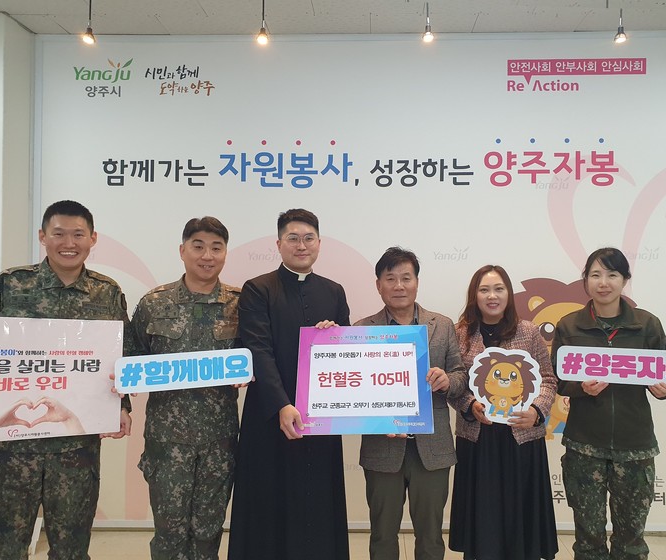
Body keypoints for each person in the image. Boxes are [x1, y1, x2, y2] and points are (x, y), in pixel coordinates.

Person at [0, 200, 132, 560]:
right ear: (43, 236)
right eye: (58, 234)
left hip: (75, 448)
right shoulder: (10, 284)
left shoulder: (107, 292)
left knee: (71, 549)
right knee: (3, 548)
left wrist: (122, 405)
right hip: (9, 449)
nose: (68, 243)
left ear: (92, 238)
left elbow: (121, 355)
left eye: (78, 234)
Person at [227, 209, 350, 560]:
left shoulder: (334, 291)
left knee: (318, 500)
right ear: (279, 244)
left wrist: (335, 336)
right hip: (269, 415)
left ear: (319, 243)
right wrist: (282, 404)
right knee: (269, 501)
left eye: (308, 238)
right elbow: (258, 349)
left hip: (320, 418)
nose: (301, 245)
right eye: (293, 238)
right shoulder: (258, 289)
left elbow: (348, 352)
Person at [552, 248, 666, 560]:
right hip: (584, 446)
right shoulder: (569, 326)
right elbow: (556, 380)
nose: (603, 282)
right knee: (588, 540)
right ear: (586, 280)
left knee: (631, 541)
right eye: (595, 275)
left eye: (612, 275)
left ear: (625, 280)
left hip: (635, 447)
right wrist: (581, 387)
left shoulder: (647, 325)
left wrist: (665, 390)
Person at [130, 216, 241, 560]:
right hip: (167, 442)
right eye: (198, 246)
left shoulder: (241, 304)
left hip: (219, 441)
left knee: (208, 532)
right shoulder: (154, 303)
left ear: (225, 253)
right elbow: (130, 356)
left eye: (216, 247)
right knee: (169, 532)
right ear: (182, 251)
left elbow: (262, 353)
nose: (207, 255)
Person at [354, 247, 466, 560]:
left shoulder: (442, 325)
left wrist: (447, 380)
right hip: (382, 447)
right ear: (378, 285)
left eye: (406, 278)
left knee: (430, 537)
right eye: (390, 279)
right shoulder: (362, 330)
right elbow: (354, 391)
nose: (399, 286)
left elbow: (461, 376)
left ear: (417, 282)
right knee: (382, 535)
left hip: (432, 447)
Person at [448, 264, 558, 560]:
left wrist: (536, 411)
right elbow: (454, 383)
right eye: (484, 290)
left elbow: (548, 379)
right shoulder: (460, 333)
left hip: (521, 438)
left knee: (519, 516)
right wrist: (469, 405)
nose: (492, 296)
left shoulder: (529, 331)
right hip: (478, 438)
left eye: (499, 289)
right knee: (482, 516)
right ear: (474, 295)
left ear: (508, 293)